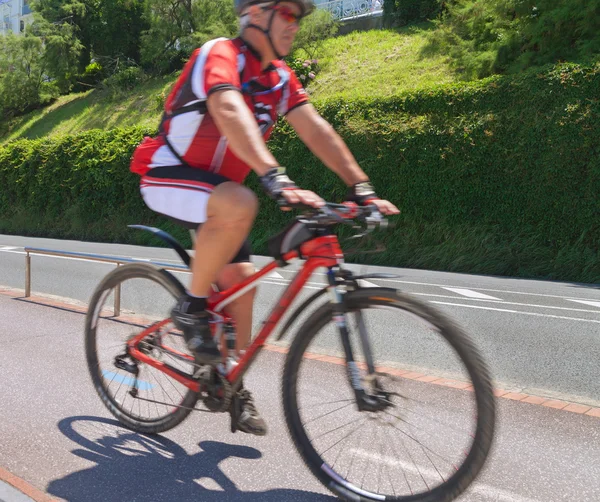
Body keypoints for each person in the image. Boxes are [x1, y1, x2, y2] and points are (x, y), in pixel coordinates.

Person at [130, 0, 399, 436]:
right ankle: (191, 309)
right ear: (257, 13)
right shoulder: (220, 53)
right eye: (289, 15)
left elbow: (315, 129)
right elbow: (228, 109)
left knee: (243, 285)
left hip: (219, 193)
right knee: (241, 202)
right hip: (168, 174)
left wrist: (360, 186)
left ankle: (227, 383)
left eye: (300, 17)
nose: (296, 25)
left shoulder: (279, 78)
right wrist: (274, 177)